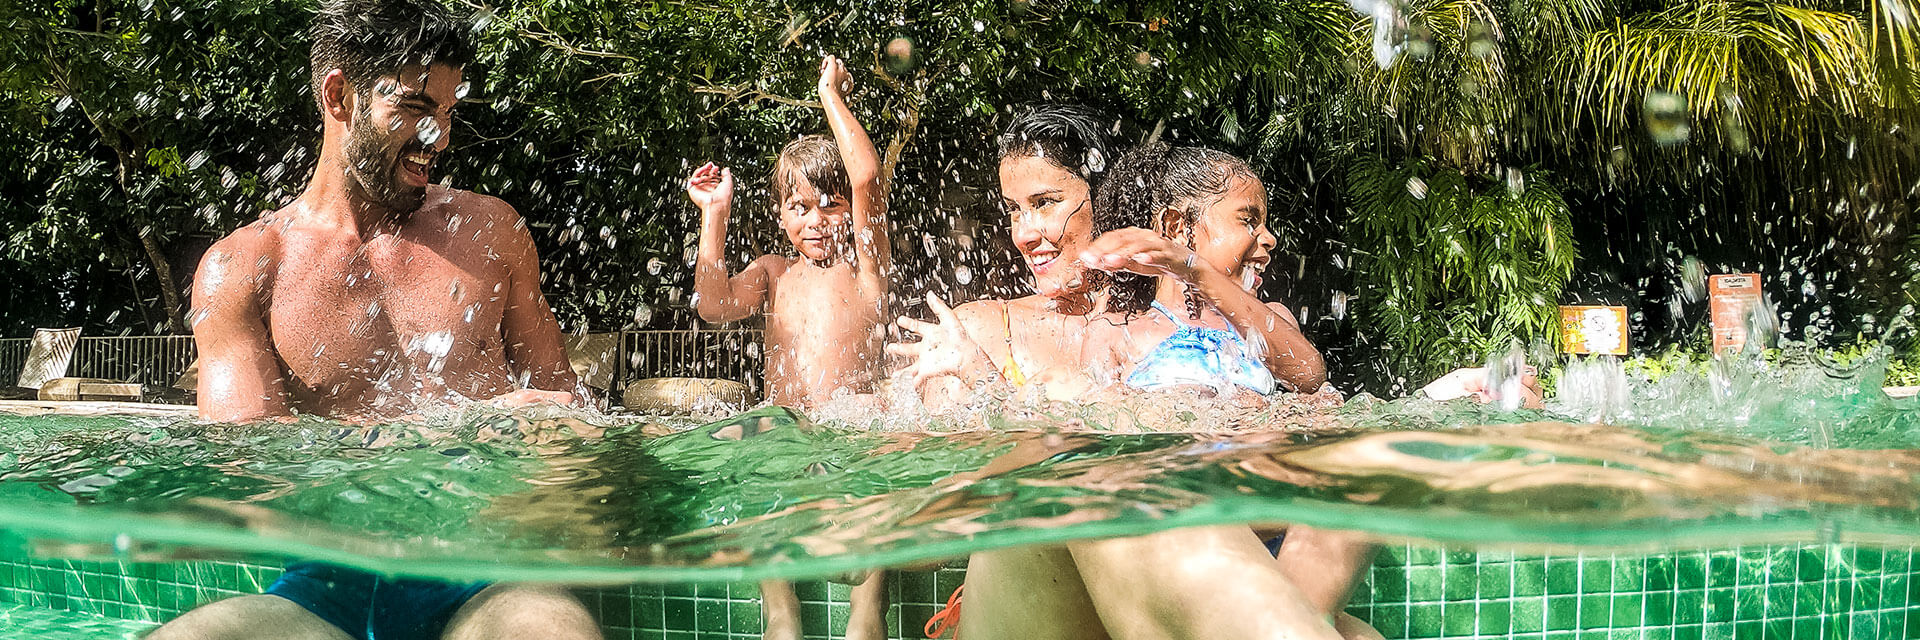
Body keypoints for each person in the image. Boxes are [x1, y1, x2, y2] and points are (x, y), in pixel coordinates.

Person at [151, 1, 599, 639]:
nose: (438, 137)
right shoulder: (245, 269)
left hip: (493, 565)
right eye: (417, 109)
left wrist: (552, 421)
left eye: (448, 112)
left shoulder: (491, 233)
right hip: (329, 581)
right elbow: (251, 466)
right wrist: (447, 434)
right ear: (339, 96)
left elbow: (569, 409)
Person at [891, 106, 1350, 640]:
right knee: (1096, 477)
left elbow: (1297, 393)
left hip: (1167, 581)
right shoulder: (977, 331)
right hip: (1033, 597)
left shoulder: (1164, 328)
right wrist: (979, 382)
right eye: (1014, 210)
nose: (1024, 233)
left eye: (1045, 204)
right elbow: (930, 526)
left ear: (1107, 201)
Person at [684, 55, 890, 640]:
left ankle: (867, 609)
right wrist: (715, 215)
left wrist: (830, 93)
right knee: (758, 446)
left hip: (852, 424)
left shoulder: (865, 269)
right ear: (779, 215)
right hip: (789, 425)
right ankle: (781, 612)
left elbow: (866, 176)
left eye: (830, 204)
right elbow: (714, 305)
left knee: (877, 450)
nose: (817, 220)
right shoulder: (774, 272)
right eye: (799, 207)